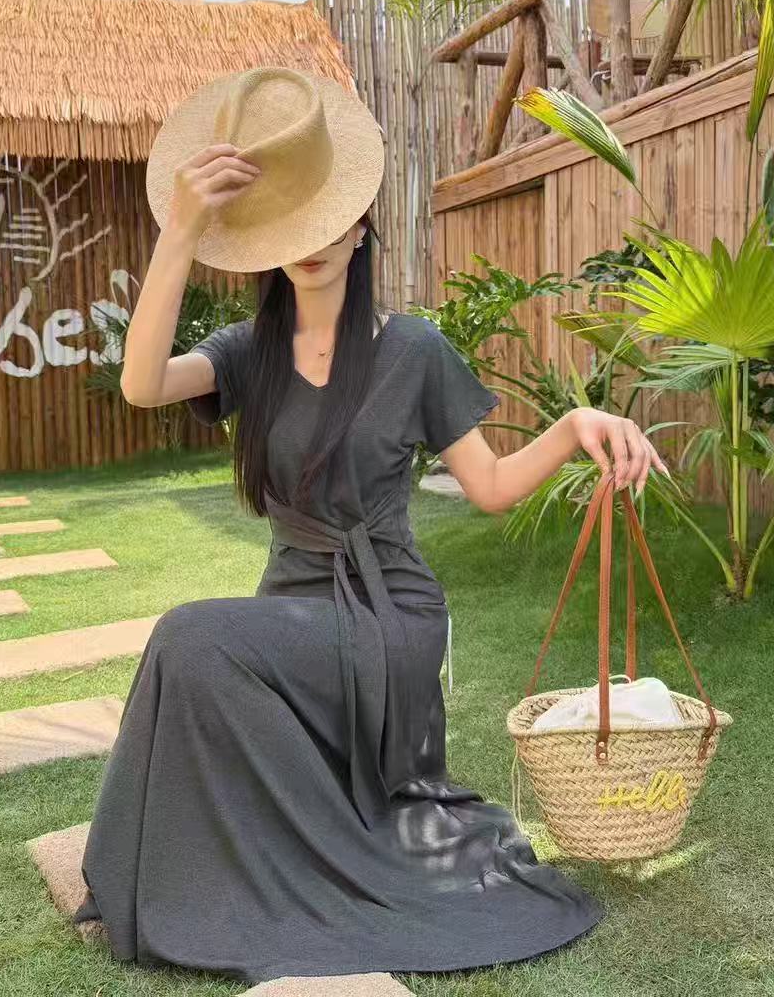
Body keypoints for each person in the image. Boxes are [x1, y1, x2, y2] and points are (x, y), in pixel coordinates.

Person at [73, 67, 668, 982]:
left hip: (389, 613)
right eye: (293, 225)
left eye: (331, 219)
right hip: (292, 605)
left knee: (189, 637)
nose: (315, 243)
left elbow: (491, 485)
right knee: (198, 656)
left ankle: (214, 883)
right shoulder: (248, 353)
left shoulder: (412, 348)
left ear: (361, 227)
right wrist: (182, 231)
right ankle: (182, 883)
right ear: (268, 242)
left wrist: (572, 426)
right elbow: (142, 383)